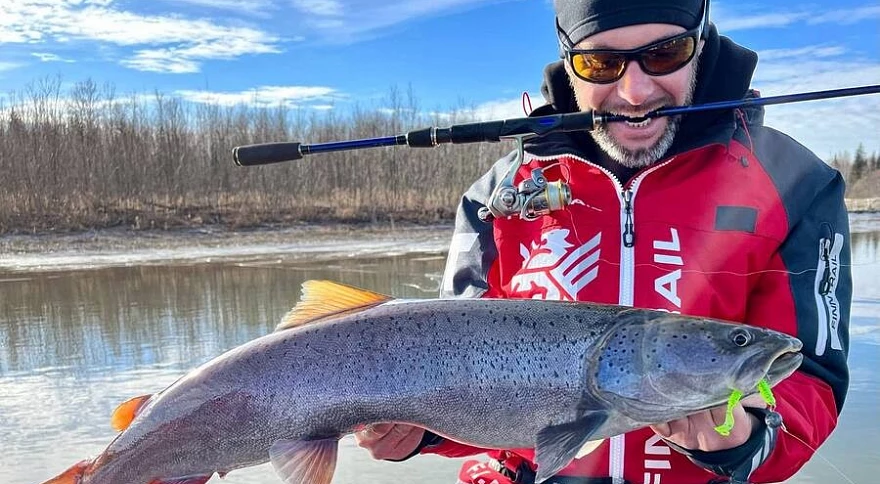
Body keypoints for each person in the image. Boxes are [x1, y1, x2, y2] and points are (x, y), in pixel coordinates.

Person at [356, 0, 852, 482]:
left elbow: (810, 381)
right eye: (601, 63)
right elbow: (457, 378)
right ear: (569, 62)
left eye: (665, 54)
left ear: (700, 44)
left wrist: (746, 438)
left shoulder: (796, 186)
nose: (635, 92)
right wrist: (421, 433)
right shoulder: (493, 197)